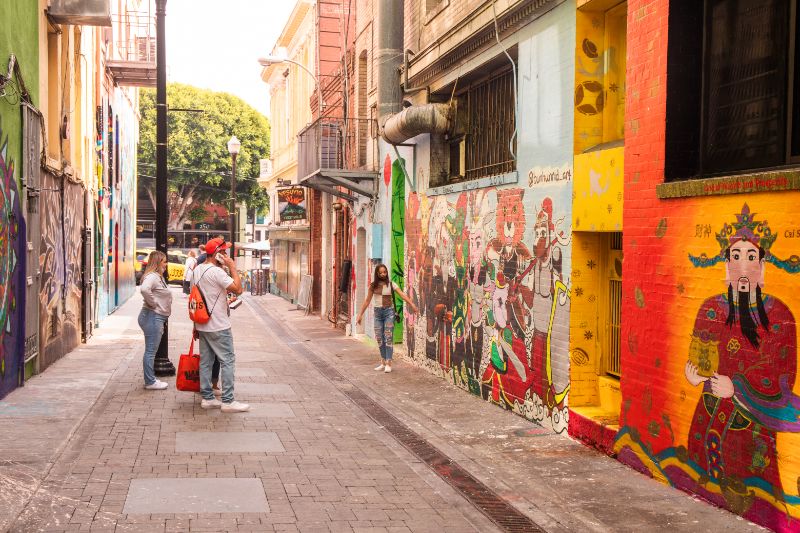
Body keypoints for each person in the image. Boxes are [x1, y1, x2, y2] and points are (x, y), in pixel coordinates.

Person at [192, 237, 249, 412]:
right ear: (216, 254)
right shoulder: (217, 273)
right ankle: (228, 401)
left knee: (206, 361)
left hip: (202, 324)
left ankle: (208, 398)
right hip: (219, 325)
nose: (226, 255)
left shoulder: (198, 270)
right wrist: (232, 267)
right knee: (228, 360)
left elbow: (197, 298)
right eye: (223, 252)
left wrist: (194, 326)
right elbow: (238, 289)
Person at [356, 264, 418, 373]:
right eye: (380, 272)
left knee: (388, 337)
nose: (383, 274)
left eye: (384, 272)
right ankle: (383, 362)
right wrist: (360, 315)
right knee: (379, 338)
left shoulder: (391, 284)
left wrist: (411, 304)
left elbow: (402, 295)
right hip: (378, 313)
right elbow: (367, 301)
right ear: (377, 274)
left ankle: (389, 362)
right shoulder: (373, 286)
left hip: (389, 312)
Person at [138, 250, 172, 390]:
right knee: (151, 351)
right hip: (152, 316)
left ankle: (150, 379)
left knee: (151, 350)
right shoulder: (152, 276)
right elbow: (145, 289)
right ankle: (150, 382)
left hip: (154, 316)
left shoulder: (158, 276)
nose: (166, 264)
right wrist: (153, 303)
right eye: (164, 261)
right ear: (158, 262)